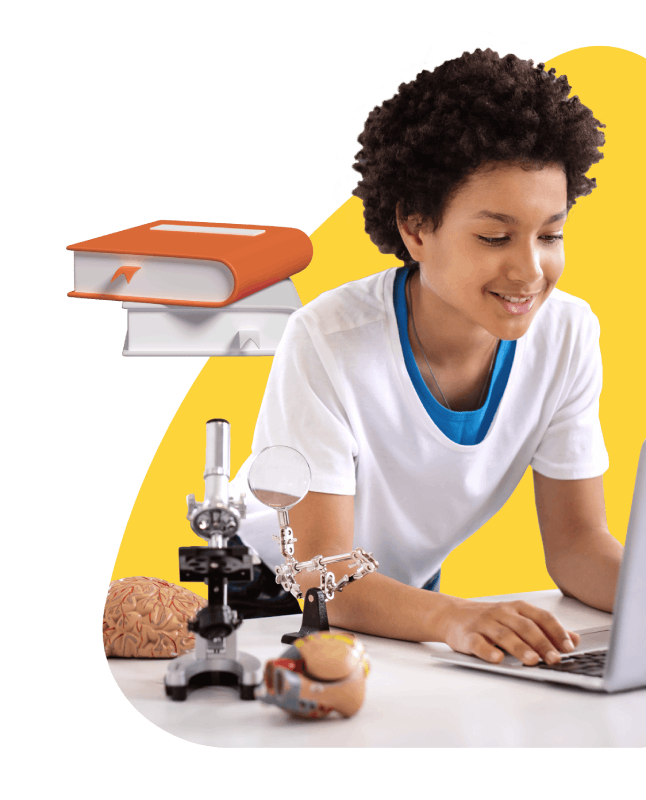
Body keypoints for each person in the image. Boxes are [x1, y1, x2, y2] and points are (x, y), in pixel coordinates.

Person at [228, 47, 624, 668]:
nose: (530, 270)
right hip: (271, 591)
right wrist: (453, 618)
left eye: (551, 234)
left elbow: (578, 545)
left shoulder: (568, 334)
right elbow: (320, 571)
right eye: (494, 237)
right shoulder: (328, 338)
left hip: (401, 595)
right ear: (416, 230)